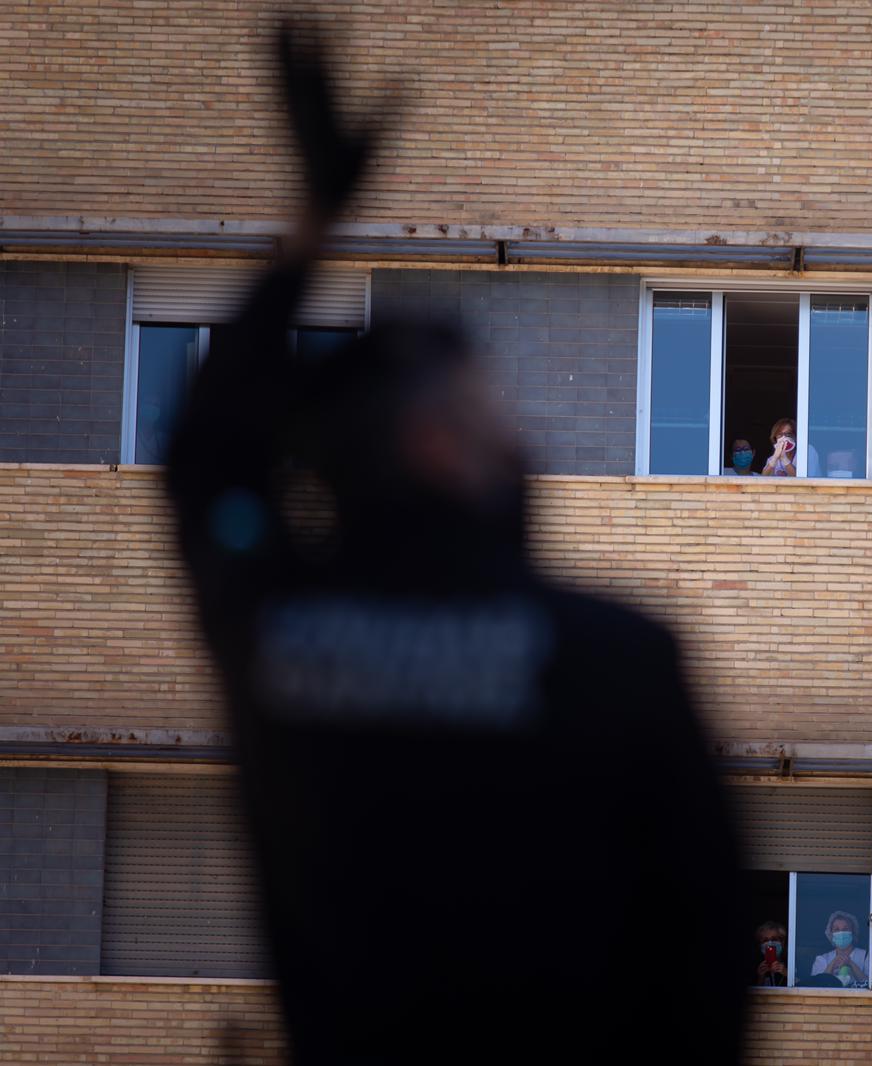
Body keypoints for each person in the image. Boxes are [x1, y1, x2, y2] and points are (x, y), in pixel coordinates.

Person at [163, 24, 745, 1064]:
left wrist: (307, 228)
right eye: (495, 408)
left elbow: (205, 454)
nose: (522, 436)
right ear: (437, 443)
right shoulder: (615, 657)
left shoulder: (279, 634)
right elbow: (709, 968)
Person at [810, 910, 870, 988]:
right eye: (836, 929)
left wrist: (851, 964)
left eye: (845, 929)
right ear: (831, 934)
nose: (841, 932)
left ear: (853, 932)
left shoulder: (865, 956)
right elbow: (816, 987)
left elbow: (870, 984)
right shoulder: (822, 960)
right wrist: (832, 964)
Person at [754, 920, 788, 986]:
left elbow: (804, 985)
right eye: (765, 940)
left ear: (782, 942)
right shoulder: (756, 966)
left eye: (774, 939)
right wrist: (760, 977)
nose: (770, 943)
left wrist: (787, 973)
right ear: (760, 945)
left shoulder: (792, 963)